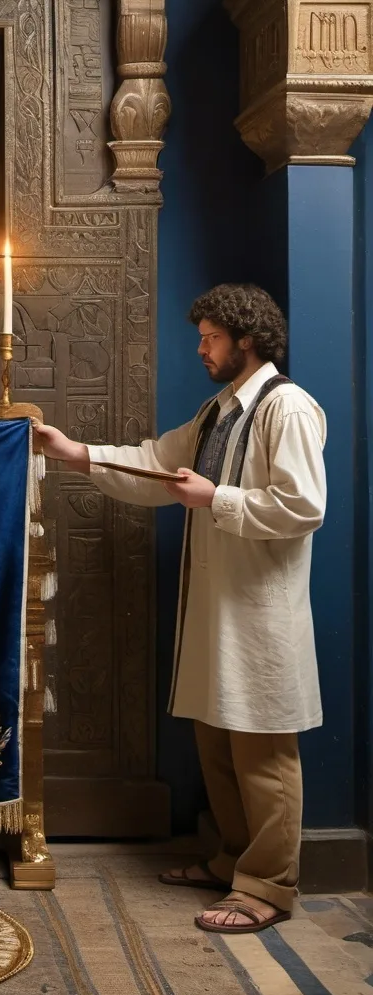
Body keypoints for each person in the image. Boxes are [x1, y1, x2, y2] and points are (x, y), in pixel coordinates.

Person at [34, 284, 326, 935]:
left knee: (263, 752)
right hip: (219, 611)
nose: (200, 348)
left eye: (210, 338)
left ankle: (270, 887)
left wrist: (215, 498)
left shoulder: (289, 409)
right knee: (218, 741)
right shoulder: (219, 411)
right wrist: (75, 454)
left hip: (262, 614)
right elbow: (157, 464)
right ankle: (231, 862)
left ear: (246, 340)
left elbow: (304, 506)